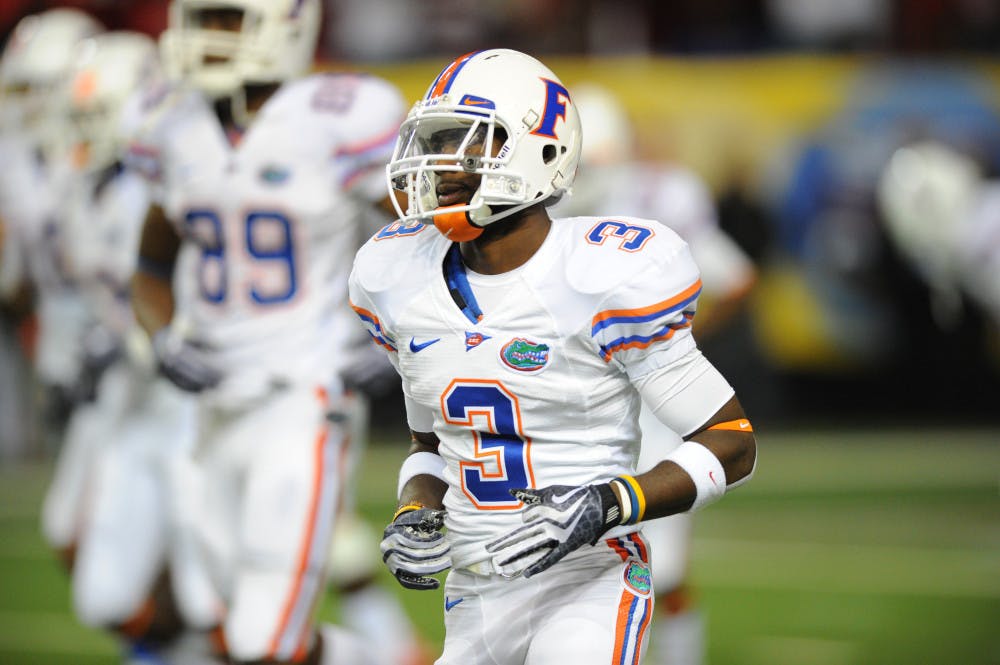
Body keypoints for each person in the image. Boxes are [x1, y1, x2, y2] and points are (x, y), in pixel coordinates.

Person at [349, 49, 758, 665]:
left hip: (588, 578)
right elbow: (430, 446)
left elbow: (731, 440)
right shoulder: (398, 277)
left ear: (541, 152)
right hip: (475, 593)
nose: (440, 166)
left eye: (469, 144)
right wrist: (417, 510)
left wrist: (607, 505)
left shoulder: (601, 274)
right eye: (434, 143)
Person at [127, 1, 414, 663]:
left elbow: (423, 240)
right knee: (231, 627)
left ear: (285, 24)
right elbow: (149, 264)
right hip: (213, 403)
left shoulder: (336, 116)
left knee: (265, 639)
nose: (207, 38)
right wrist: (164, 339)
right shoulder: (169, 125)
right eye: (200, 20)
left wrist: (390, 339)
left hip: (305, 391)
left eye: (226, 20)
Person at [553, 83, 758, 665]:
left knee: (658, 561)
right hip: (575, 401)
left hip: (645, 401)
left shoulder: (661, 199)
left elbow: (736, 278)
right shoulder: (545, 219)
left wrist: (673, 343)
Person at [0, 6, 105, 565]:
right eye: (20, 89)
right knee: (81, 534)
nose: (28, 104)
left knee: (85, 529)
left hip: (119, 352)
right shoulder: (19, 157)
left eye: (39, 88)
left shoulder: (109, 154)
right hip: (66, 343)